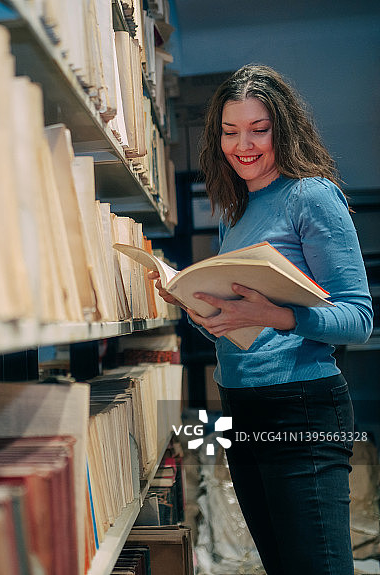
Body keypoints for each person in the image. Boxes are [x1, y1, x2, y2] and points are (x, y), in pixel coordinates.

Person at [150, 64, 373, 574]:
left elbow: (358, 317)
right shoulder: (237, 208)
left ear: (283, 128)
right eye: (230, 131)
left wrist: (276, 314)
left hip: (301, 409)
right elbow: (248, 313)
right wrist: (214, 314)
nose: (243, 144)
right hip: (243, 406)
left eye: (258, 129)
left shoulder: (310, 195)